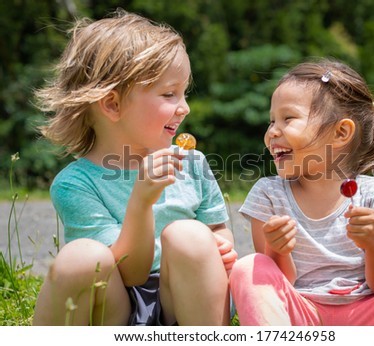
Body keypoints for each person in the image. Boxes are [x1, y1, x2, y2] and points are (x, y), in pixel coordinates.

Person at [32, 9, 237, 326]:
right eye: (169, 94)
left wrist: (221, 247)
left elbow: (217, 229)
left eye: (184, 93)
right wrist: (141, 200)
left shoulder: (192, 164)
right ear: (112, 104)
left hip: (184, 304)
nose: (184, 107)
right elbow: (131, 271)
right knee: (82, 257)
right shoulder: (76, 184)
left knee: (190, 235)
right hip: (116, 308)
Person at [230, 58, 374, 326]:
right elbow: (278, 283)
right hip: (302, 318)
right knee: (250, 266)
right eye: (271, 120)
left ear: (341, 132)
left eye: (288, 118)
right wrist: (277, 251)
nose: (271, 132)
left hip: (371, 317)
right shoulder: (268, 194)